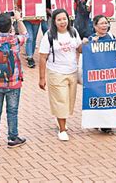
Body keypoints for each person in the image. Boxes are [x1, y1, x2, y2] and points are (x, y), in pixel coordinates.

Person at [38, 8, 82, 141]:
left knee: (69, 100)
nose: (62, 22)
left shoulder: (73, 32)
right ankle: (62, 130)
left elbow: (79, 48)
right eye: (59, 20)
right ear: (54, 21)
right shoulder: (49, 36)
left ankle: (61, 119)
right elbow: (42, 57)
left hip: (72, 71)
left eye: (64, 19)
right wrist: (42, 78)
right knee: (60, 100)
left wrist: (88, 44)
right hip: (56, 72)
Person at [0, 12, 28, 148]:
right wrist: (19, 19)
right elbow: (26, 34)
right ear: (10, 26)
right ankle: (12, 137)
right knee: (12, 110)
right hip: (13, 80)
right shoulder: (14, 39)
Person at [17, 0, 41, 68]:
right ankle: (30, 57)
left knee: (34, 38)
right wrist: (21, 12)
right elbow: (18, 6)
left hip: (37, 20)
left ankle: (31, 54)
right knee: (29, 37)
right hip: (27, 19)